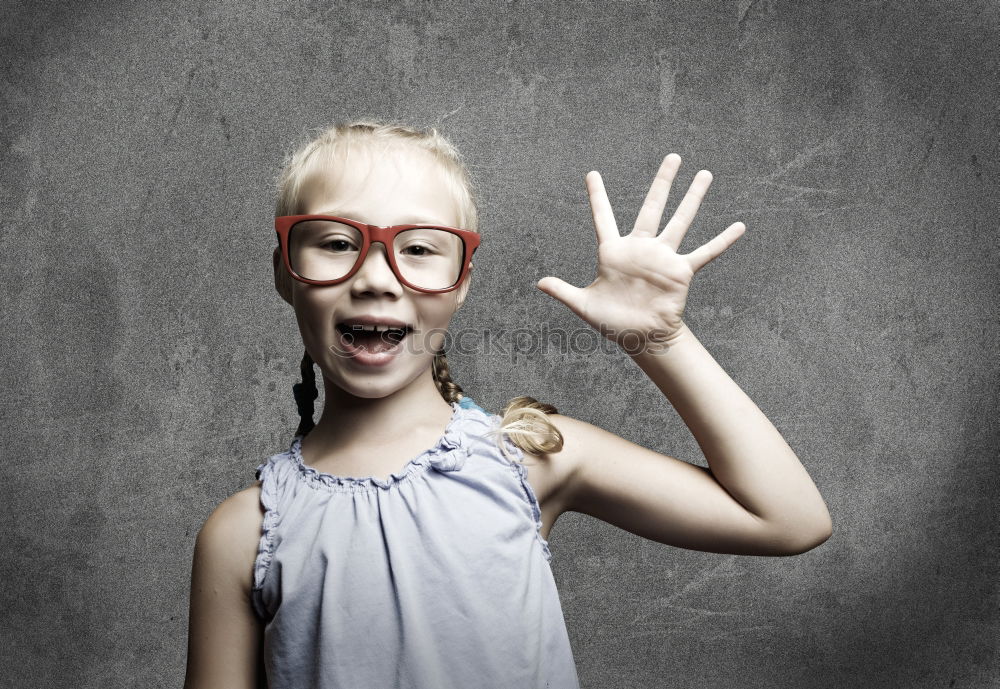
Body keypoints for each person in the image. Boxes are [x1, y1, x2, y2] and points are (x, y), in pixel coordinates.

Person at [182, 120, 832, 689]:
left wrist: (659, 338)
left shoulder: (527, 454)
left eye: (418, 248)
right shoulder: (242, 534)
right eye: (335, 242)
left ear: (462, 280)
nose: (376, 277)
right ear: (283, 271)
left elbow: (787, 518)